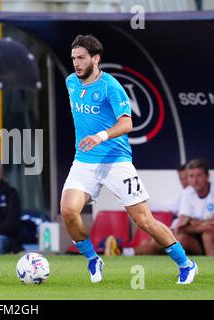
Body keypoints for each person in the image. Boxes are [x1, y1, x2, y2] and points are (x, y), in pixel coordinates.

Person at [60, 34, 197, 284]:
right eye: (73, 58)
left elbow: (127, 123)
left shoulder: (111, 86)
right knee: (68, 211)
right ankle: (93, 259)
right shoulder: (71, 82)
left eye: (81, 58)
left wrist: (100, 136)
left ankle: (186, 264)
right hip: (84, 161)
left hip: (115, 161)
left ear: (96, 58)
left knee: (143, 220)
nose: (76, 63)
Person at [105, 163, 189, 256]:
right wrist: (140, 203)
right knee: (152, 242)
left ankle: (123, 252)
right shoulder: (185, 194)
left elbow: (185, 220)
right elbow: (170, 208)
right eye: (181, 178)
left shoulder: (193, 194)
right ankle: (123, 252)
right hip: (180, 232)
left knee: (163, 241)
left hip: (189, 236)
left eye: (188, 177)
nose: (185, 181)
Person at [175, 158, 214, 256]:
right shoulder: (187, 192)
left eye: (199, 176)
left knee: (208, 235)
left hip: (210, 236)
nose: (195, 180)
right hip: (196, 240)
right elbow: (180, 228)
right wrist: (203, 226)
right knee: (179, 239)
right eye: (191, 176)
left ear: (207, 176)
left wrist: (193, 222)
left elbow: (212, 226)